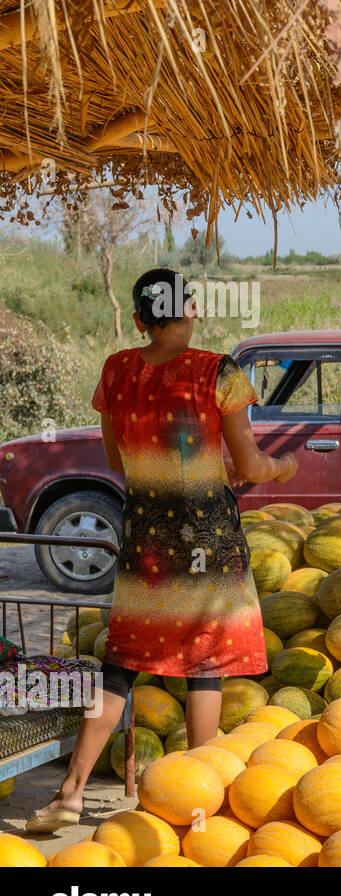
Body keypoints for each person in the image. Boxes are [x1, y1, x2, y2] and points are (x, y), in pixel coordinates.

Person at [27, 268, 298, 832]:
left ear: (138, 319)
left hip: (147, 541)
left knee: (121, 663)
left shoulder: (117, 370)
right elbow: (249, 466)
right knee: (205, 666)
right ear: (191, 309)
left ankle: (70, 793)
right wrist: (281, 467)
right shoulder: (216, 370)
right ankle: (193, 805)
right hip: (207, 543)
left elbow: (119, 461)